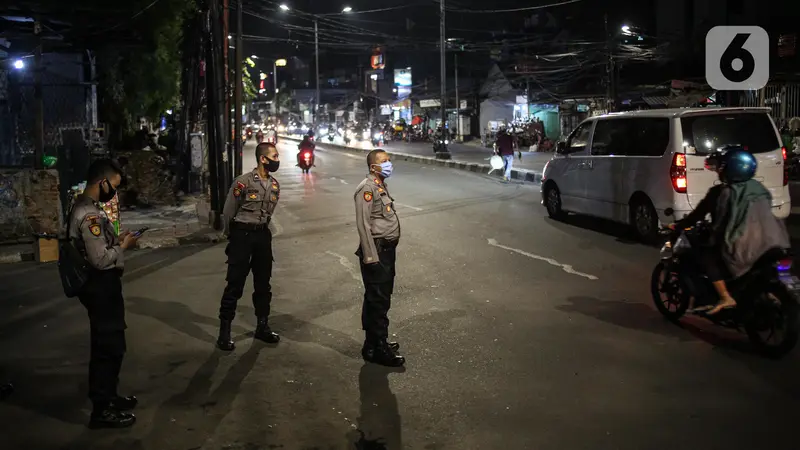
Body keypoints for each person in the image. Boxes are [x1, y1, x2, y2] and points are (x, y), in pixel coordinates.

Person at [672, 148, 791, 314]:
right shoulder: (759, 188)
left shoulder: (721, 193)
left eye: (722, 166)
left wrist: (680, 225)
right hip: (773, 241)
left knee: (706, 256)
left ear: (730, 169)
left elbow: (710, 221)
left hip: (744, 246)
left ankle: (725, 296)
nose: (719, 171)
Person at [70, 159, 140, 429]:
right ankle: (102, 410)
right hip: (100, 286)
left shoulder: (85, 207)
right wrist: (124, 246)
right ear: (102, 182)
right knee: (107, 347)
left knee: (112, 344)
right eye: (114, 186)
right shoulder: (89, 216)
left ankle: (110, 397)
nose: (115, 192)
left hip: (102, 287)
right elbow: (100, 259)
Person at [216, 142, 282, 351]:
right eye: (274, 155)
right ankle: (224, 332)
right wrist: (231, 236)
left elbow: (269, 212)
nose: (277, 159)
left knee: (263, 284)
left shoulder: (274, 185)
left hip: (263, 236)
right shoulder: (243, 182)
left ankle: (262, 326)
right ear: (263, 159)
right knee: (235, 284)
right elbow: (228, 212)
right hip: (242, 236)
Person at [354, 150, 406, 367]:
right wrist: (370, 256)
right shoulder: (366, 188)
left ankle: (373, 343)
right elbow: (363, 224)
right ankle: (379, 348)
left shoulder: (379, 185)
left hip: (385, 251)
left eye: (389, 160)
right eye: (384, 162)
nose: (389, 164)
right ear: (373, 166)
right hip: (377, 251)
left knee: (378, 298)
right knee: (379, 300)